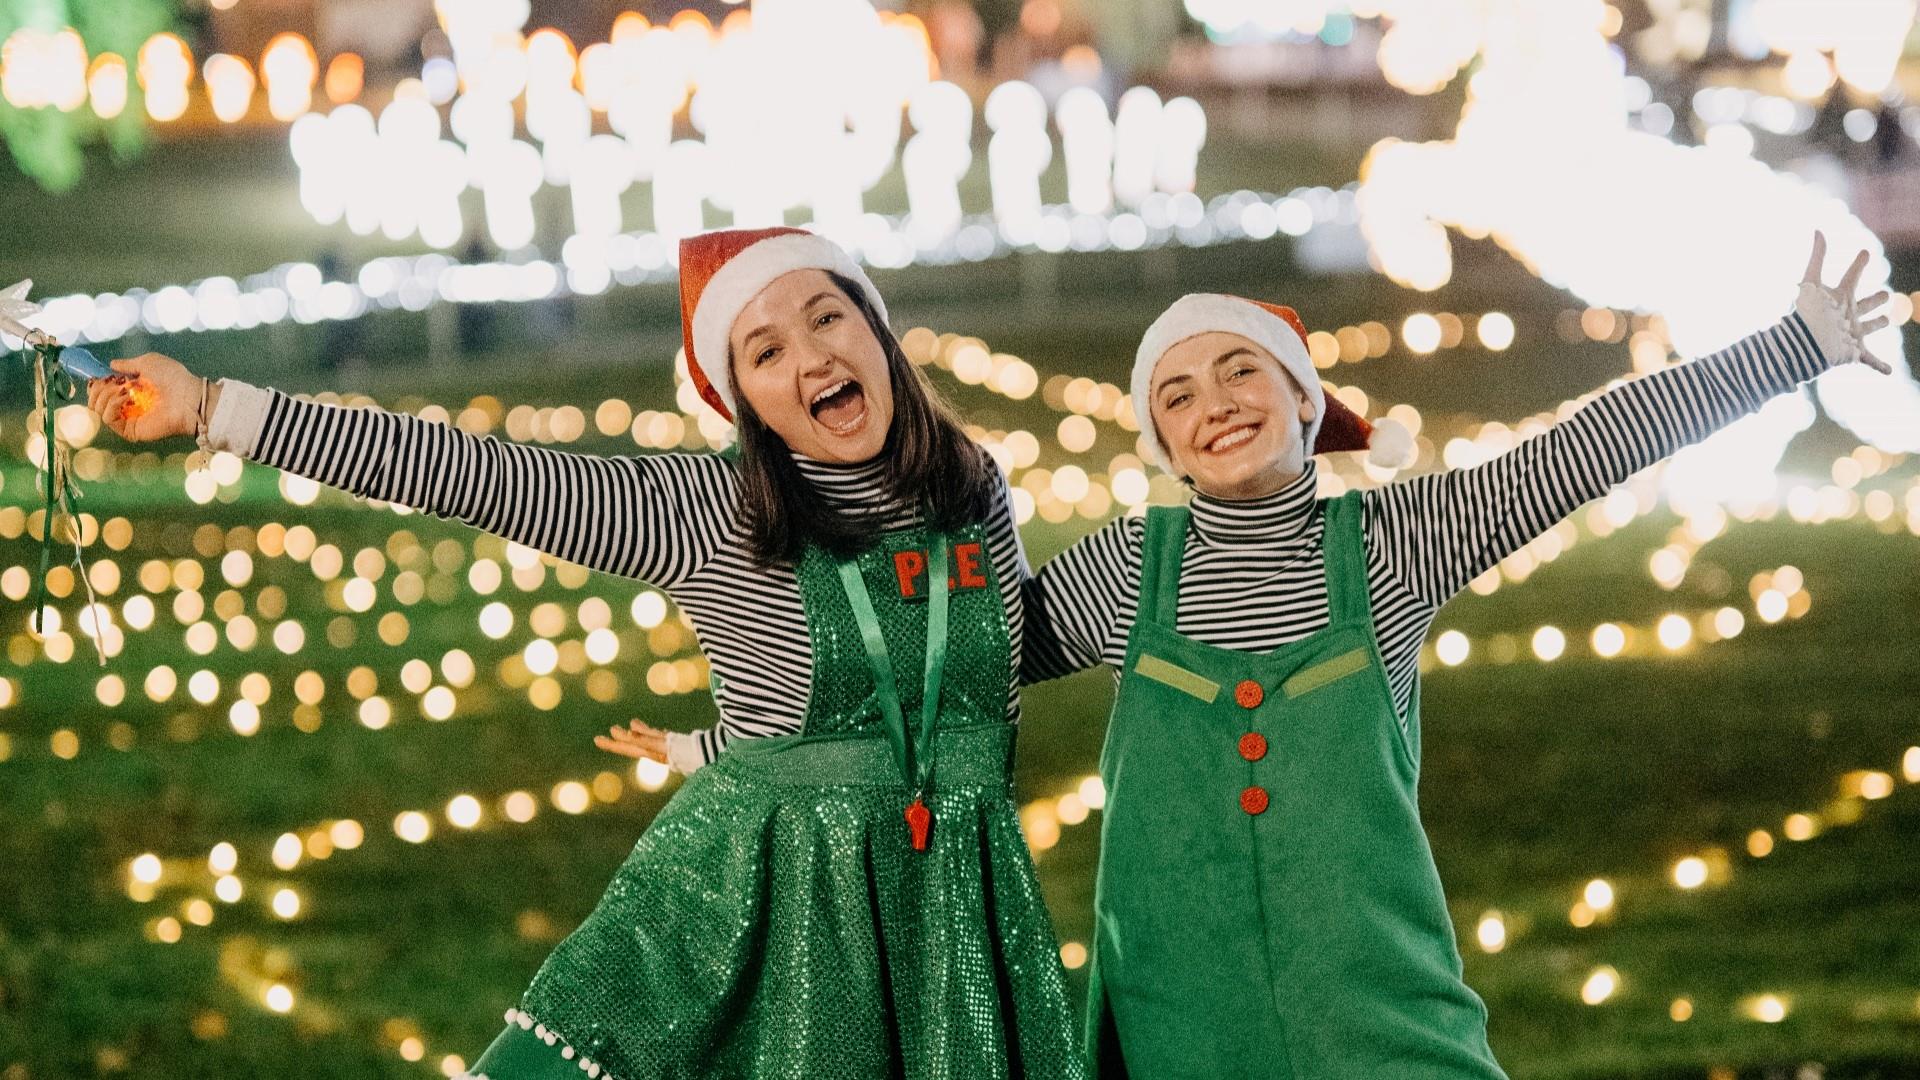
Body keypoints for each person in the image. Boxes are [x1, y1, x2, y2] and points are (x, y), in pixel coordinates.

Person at [88, 226, 1084, 1080]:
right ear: (741, 398)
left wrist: (1176, 569)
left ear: (874, 328)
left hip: (959, 895)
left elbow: (977, 662)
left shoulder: (971, 484)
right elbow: (470, 473)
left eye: (828, 316)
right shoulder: (707, 514)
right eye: (766, 351)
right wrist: (219, 409)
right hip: (772, 915)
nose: (811, 356)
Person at [1012, 233, 1891, 1079]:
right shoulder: (1128, 571)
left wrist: (1795, 345)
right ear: (1164, 448)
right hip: (1179, 1022)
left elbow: (1586, 449)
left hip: (1379, 1011)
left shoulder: (1397, 543)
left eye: (1243, 369)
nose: (1218, 401)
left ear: (1307, 401)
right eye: (1178, 394)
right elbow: (965, 653)